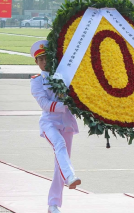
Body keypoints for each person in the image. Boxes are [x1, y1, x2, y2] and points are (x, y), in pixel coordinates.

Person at [29, 40, 80, 213]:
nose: (44, 62)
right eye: (41, 59)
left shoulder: (64, 76)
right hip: (49, 122)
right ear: (36, 62)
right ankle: (70, 176)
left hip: (66, 122)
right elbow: (44, 104)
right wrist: (66, 104)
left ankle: (53, 204)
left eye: (46, 58)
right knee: (59, 145)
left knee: (60, 162)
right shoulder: (36, 81)